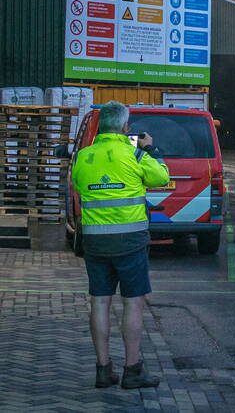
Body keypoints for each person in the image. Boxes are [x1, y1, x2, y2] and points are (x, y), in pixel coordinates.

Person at [71, 101, 168, 389]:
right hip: (130, 242)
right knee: (132, 303)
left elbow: (78, 185)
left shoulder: (84, 156)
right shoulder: (135, 154)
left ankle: (103, 370)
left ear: (101, 127)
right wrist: (152, 149)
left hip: (94, 241)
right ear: (125, 127)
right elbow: (161, 177)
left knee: (100, 302)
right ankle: (132, 370)